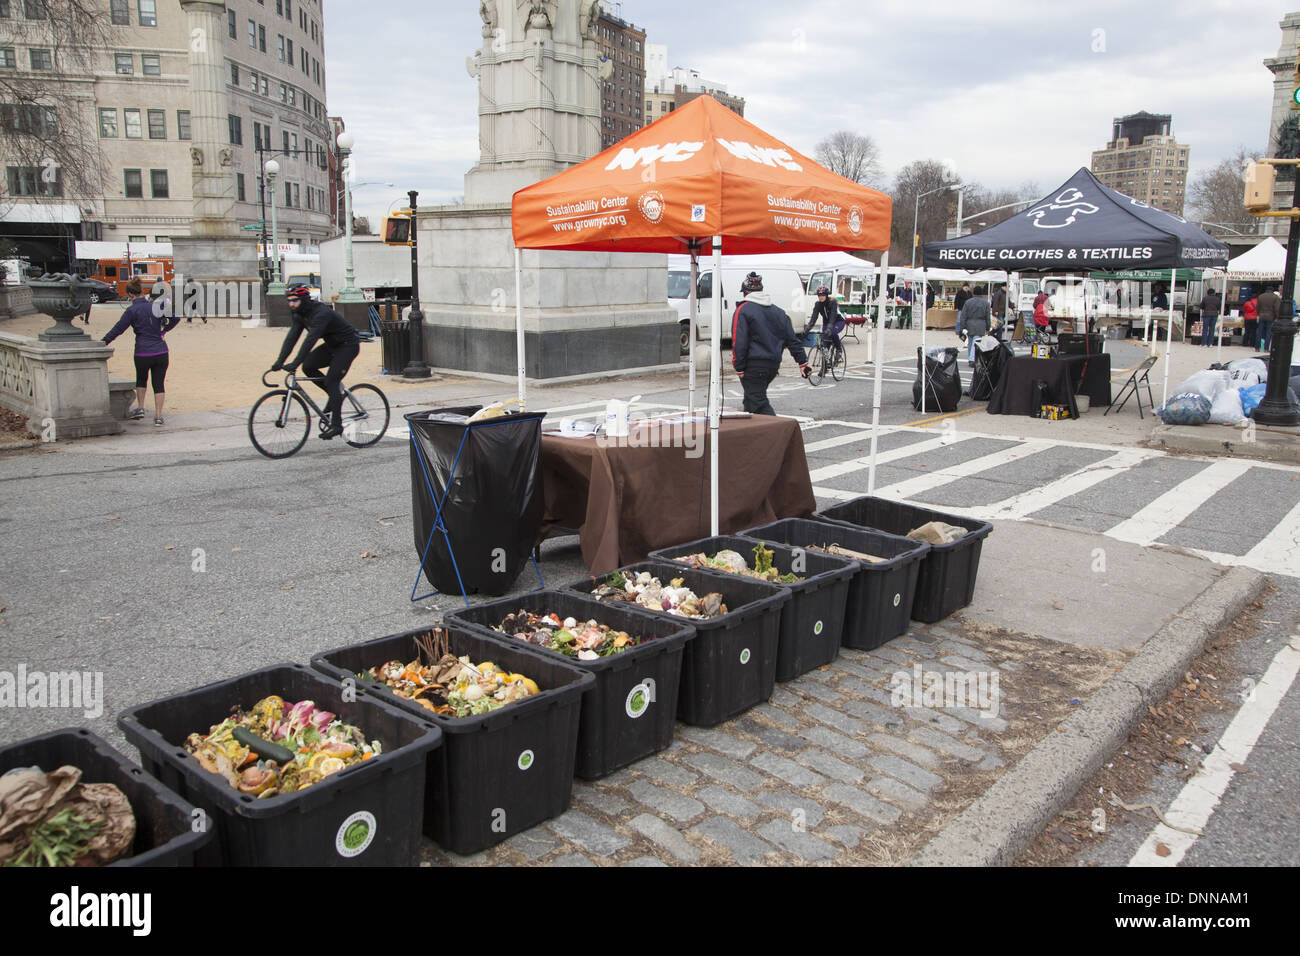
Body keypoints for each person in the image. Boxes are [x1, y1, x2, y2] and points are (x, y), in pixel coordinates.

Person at [270, 285, 361, 439]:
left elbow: (310, 340)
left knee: (332, 380)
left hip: (348, 346)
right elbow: (292, 338)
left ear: (304, 299)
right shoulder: (299, 314)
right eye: (289, 301)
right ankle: (334, 398)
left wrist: (294, 363)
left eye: (295, 301)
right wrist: (280, 361)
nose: (291, 304)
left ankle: (337, 426)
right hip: (332, 345)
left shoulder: (321, 313)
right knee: (308, 366)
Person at [102, 276, 180, 425]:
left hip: (142, 352)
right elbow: (175, 318)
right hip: (161, 352)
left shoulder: (132, 310)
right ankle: (158, 417)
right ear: (141, 291)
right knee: (159, 384)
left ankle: (141, 408)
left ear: (131, 294)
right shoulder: (156, 306)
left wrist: (104, 341)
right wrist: (164, 332)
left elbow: (118, 329)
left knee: (141, 379)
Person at [731, 271, 811, 415]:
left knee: (757, 403)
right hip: (772, 366)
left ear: (745, 292)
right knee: (751, 402)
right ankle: (755, 436)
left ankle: (780, 434)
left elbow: (739, 341)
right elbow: (792, 340)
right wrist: (802, 363)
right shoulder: (779, 312)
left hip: (753, 365)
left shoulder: (743, 310)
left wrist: (739, 367)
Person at [805, 285, 845, 357]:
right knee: (824, 344)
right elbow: (814, 317)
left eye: (823, 295)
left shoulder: (832, 303)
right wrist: (808, 328)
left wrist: (829, 328)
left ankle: (839, 350)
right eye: (819, 295)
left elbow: (833, 316)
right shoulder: (818, 304)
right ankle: (825, 365)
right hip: (826, 323)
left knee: (832, 333)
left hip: (838, 321)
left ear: (826, 295)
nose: (821, 297)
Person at [956, 287, 990, 362]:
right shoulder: (986, 303)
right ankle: (972, 359)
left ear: (973, 293)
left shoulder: (968, 302)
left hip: (969, 324)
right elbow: (988, 316)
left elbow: (963, 315)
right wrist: (988, 328)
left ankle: (970, 358)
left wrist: (962, 327)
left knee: (970, 342)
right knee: (976, 342)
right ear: (981, 294)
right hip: (980, 324)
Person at [1256, 283, 1280, 354]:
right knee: (1268, 333)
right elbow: (1277, 309)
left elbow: (1257, 307)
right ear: (1272, 290)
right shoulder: (1275, 297)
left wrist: (1259, 314)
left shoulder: (1260, 296)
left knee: (1259, 332)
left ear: (1266, 290)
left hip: (1261, 316)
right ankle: (1266, 348)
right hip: (1270, 317)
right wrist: (1277, 317)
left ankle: (1257, 347)